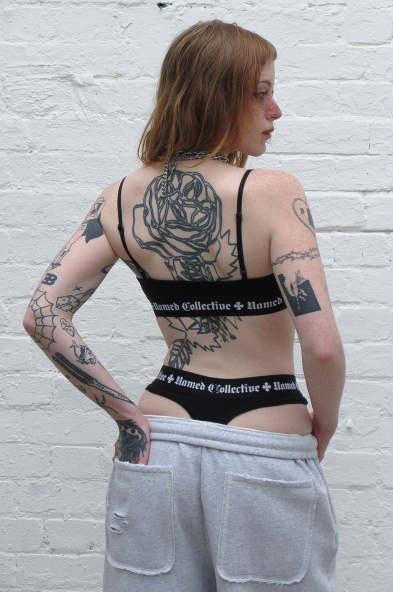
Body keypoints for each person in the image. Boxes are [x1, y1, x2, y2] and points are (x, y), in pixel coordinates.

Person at [23, 18, 345, 592]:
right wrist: (324, 425)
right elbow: (321, 347)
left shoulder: (119, 198)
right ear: (219, 97)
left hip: (161, 442)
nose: (275, 112)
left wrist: (127, 418)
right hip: (263, 441)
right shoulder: (275, 192)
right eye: (262, 93)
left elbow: (43, 314)